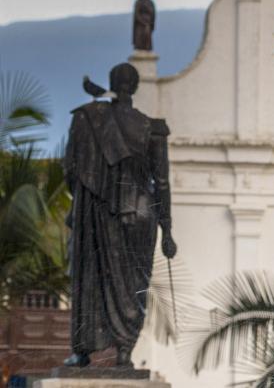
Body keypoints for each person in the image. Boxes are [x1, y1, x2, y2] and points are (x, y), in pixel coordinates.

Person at [63, 63, 176, 368]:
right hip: (139, 212)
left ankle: (82, 351)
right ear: (135, 87)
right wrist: (167, 230)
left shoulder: (87, 118)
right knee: (133, 283)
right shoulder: (152, 128)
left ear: (112, 83)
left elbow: (71, 169)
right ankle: (125, 351)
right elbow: (161, 182)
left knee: (91, 276)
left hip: (97, 209)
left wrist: (91, 192)